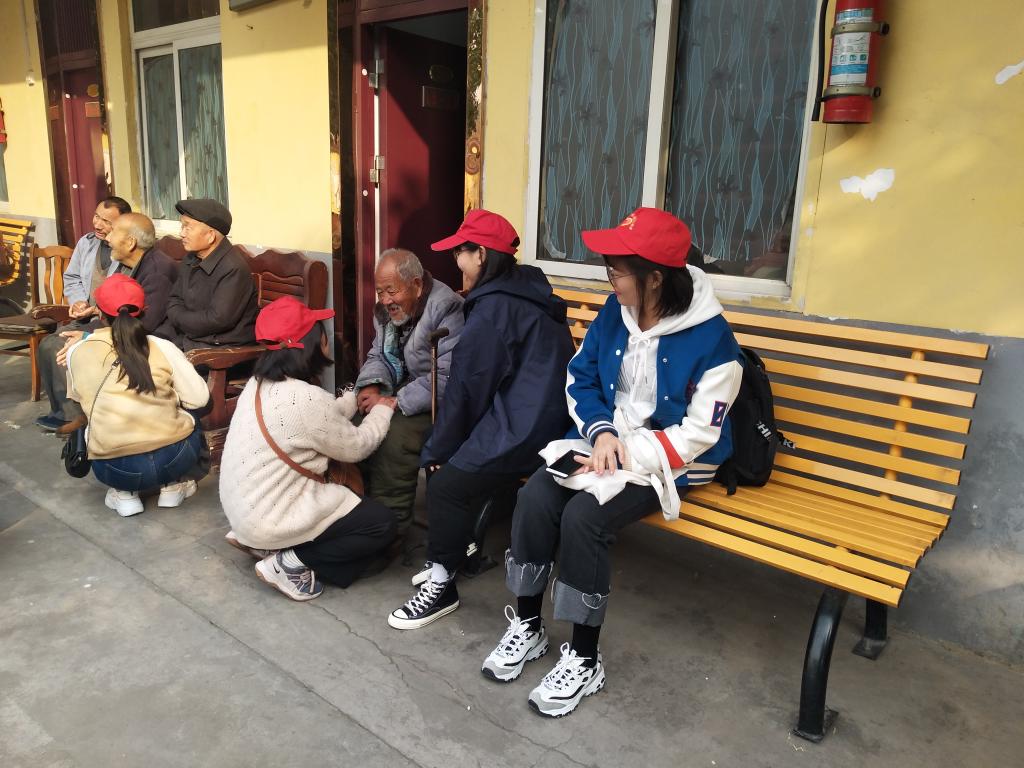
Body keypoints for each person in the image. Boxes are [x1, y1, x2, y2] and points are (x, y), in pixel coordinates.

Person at [480, 207, 744, 717]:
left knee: (585, 519)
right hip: (606, 442)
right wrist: (601, 433)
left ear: (655, 278)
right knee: (535, 496)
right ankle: (528, 626)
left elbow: (699, 433)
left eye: (616, 271)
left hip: (675, 457)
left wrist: (624, 454)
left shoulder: (713, 341)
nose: (609, 280)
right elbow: (580, 377)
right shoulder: (615, 311)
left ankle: (584, 657)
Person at [387, 209, 575, 630]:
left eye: (460, 252)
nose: (456, 261)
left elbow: (468, 389)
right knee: (450, 462)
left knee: (444, 480)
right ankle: (457, 553)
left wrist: (438, 448)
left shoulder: (494, 309)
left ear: (482, 255)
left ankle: (442, 584)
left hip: (529, 427)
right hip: (546, 415)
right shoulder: (524, 289)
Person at [219, 296, 399, 602]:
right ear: (310, 344)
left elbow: (314, 421)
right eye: (321, 333)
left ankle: (265, 544)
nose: (327, 338)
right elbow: (358, 446)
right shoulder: (305, 399)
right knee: (380, 525)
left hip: (243, 513)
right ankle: (290, 562)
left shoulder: (258, 384)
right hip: (269, 518)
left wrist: (351, 398)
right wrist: (383, 409)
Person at [65, 274, 210, 517]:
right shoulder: (161, 346)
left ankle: (125, 494)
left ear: (99, 312)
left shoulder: (76, 351)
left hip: (115, 468)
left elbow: (79, 399)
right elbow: (199, 399)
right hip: (175, 459)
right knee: (190, 414)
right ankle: (172, 486)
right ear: (145, 311)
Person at [355, 248, 463, 536]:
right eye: (380, 292)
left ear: (416, 285)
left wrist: (396, 401)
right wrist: (372, 385)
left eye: (392, 291)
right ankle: (358, 515)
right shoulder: (386, 312)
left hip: (440, 400)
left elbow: (448, 376)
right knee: (357, 421)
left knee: (395, 438)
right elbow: (378, 354)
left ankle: (390, 530)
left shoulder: (446, 307)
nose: (385, 300)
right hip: (407, 387)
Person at [51, 213, 179, 435]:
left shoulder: (157, 271)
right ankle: (86, 412)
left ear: (130, 243)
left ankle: (96, 415)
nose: (107, 238)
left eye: (113, 232)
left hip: (151, 338)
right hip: (122, 328)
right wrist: (93, 318)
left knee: (81, 347)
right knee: (65, 340)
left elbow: (144, 324)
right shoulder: (128, 263)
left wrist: (91, 337)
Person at [35, 196, 130, 432]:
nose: (97, 224)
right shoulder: (86, 243)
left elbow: (128, 293)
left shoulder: (127, 249)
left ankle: (79, 416)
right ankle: (65, 412)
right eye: (96, 216)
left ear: (123, 224)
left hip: (112, 320)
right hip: (87, 317)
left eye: (106, 221)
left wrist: (99, 309)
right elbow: (73, 277)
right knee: (49, 344)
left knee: (61, 344)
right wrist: (78, 300)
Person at [165, 198, 259, 351]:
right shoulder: (191, 258)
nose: (181, 234)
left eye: (188, 227)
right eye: (182, 226)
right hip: (191, 336)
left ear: (210, 236)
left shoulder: (233, 268)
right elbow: (174, 299)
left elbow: (217, 320)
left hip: (222, 347)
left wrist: (178, 318)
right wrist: (179, 318)